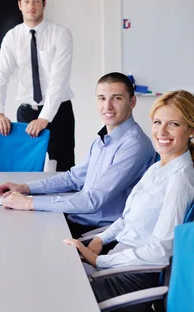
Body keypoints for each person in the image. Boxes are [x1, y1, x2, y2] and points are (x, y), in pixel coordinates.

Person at [64, 90, 194, 306]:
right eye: (157, 122)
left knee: (60, 291)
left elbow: (161, 251)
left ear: (191, 130)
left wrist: (98, 260)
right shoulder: (157, 168)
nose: (161, 131)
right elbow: (127, 219)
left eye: (173, 124)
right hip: (118, 260)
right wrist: (99, 240)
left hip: (133, 274)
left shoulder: (180, 180)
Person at [0, 73, 156, 238]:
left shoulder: (134, 145)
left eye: (116, 98)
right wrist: (25, 188)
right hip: (77, 219)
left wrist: (29, 202)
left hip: (98, 232)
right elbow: (73, 178)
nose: (107, 106)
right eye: (101, 98)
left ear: (132, 102)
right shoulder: (103, 140)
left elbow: (92, 200)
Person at [0, 0, 75, 171]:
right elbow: (0, 75)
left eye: (36, 1)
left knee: (64, 169)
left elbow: (58, 81)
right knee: (26, 169)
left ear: (44, 4)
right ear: (19, 5)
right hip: (27, 112)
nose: (31, 6)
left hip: (59, 111)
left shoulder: (61, 34)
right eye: (26, 1)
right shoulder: (12, 37)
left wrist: (45, 118)